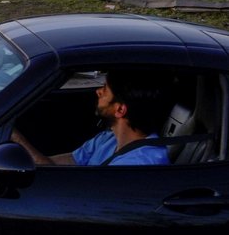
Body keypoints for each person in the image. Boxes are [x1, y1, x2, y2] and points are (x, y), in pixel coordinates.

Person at [11, 70, 172, 166]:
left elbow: (72, 194)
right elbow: (55, 166)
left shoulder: (137, 164)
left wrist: (16, 138)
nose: (98, 92)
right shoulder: (109, 138)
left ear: (120, 109)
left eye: (105, 90)